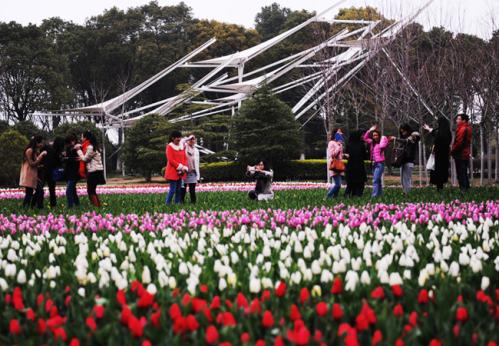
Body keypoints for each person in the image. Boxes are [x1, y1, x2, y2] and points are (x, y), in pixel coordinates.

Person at [75, 131, 105, 207]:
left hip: (94, 171)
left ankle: (97, 207)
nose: (81, 139)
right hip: (96, 170)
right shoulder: (93, 146)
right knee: (92, 190)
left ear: (86, 138)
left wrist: (78, 150)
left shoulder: (90, 147)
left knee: (91, 191)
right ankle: (98, 206)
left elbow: (85, 159)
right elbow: (87, 158)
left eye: (82, 137)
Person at [34, 137, 65, 208]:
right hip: (51, 172)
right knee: (52, 189)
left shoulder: (46, 148)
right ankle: (53, 205)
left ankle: (36, 204)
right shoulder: (57, 152)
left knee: (40, 189)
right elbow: (58, 163)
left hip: (43, 171)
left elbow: (41, 158)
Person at [390, 124, 420, 194]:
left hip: (409, 161)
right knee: (402, 179)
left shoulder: (412, 137)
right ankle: (405, 192)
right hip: (402, 161)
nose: (403, 133)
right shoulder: (403, 140)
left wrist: (395, 139)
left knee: (406, 179)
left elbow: (407, 141)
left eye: (404, 131)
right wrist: (396, 150)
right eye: (401, 132)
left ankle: (407, 193)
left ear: (408, 130)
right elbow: (402, 149)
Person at [363, 125, 392, 197]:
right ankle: (380, 195)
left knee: (375, 180)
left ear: (379, 136)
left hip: (380, 163)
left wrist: (383, 137)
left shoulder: (382, 142)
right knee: (378, 181)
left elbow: (383, 146)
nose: (374, 137)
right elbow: (365, 138)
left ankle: (374, 196)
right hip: (374, 163)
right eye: (373, 135)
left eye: (376, 135)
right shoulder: (372, 143)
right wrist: (369, 130)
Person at [424, 117, 452, 191]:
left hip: (438, 154)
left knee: (437, 171)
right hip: (445, 155)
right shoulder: (448, 132)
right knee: (443, 171)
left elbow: (436, 136)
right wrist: (429, 129)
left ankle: (439, 187)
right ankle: (441, 185)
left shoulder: (439, 132)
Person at [19, 135, 46, 207]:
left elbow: (35, 165)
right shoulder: (29, 150)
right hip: (29, 175)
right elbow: (31, 164)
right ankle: (27, 208)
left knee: (35, 192)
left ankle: (31, 207)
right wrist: (40, 156)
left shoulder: (34, 151)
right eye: (41, 142)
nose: (42, 144)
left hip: (33, 175)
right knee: (31, 193)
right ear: (37, 142)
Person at [164, 130, 188, 205]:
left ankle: (177, 203)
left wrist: (184, 167)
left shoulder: (182, 146)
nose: (179, 139)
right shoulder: (169, 147)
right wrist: (180, 167)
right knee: (173, 189)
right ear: (172, 138)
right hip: (172, 171)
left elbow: (185, 157)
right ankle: (167, 203)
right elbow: (170, 160)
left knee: (179, 189)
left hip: (181, 172)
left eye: (179, 137)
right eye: (177, 137)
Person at [450, 113, 472, 191]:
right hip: (465, 153)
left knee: (461, 173)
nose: (457, 121)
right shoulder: (468, 128)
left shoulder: (462, 129)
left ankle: (463, 190)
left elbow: (459, 142)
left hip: (460, 154)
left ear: (463, 120)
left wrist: (452, 151)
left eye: (458, 119)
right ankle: (467, 189)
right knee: (464, 172)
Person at [344, 131, 368, 197]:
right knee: (360, 183)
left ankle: (348, 194)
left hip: (350, 166)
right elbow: (365, 156)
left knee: (350, 183)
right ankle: (358, 194)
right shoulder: (361, 145)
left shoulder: (349, 145)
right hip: (359, 166)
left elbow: (346, 155)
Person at [180, 134, 200, 204]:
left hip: (193, 172)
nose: (192, 140)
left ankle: (193, 203)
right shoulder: (184, 147)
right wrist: (188, 138)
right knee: (183, 189)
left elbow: (197, 163)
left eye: (193, 139)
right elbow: (181, 142)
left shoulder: (196, 150)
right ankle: (181, 202)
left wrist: (198, 176)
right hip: (184, 172)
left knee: (192, 190)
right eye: (190, 139)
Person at [326, 130, 344, 199]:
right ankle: (328, 196)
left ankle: (334, 198)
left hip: (339, 164)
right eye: (339, 134)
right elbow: (332, 154)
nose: (341, 135)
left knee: (338, 184)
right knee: (338, 184)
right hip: (334, 164)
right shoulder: (331, 143)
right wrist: (338, 147)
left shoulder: (338, 143)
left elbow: (340, 155)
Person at [64, 134, 80, 208]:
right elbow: (69, 159)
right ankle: (77, 204)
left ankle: (70, 206)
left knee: (69, 190)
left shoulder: (77, 148)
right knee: (73, 190)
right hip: (68, 172)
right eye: (70, 141)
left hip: (74, 172)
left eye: (73, 141)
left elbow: (77, 159)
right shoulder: (68, 148)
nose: (72, 143)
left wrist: (68, 158)